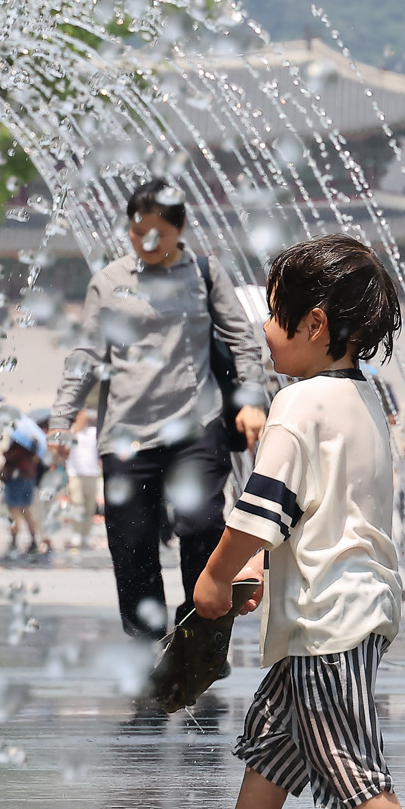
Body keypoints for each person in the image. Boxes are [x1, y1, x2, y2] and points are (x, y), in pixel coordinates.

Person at [153, 233, 405, 809]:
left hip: (328, 614)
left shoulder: (297, 406)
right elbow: (316, 511)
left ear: (315, 325)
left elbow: (262, 508)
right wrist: (263, 564)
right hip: (356, 602)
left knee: (342, 750)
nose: (264, 328)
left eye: (276, 314)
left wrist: (216, 576)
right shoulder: (365, 400)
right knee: (277, 743)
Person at [51, 179, 268, 640]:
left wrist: (251, 400)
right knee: (131, 545)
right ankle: (147, 642)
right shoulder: (108, 283)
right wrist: (61, 420)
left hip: (196, 421)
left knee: (203, 523)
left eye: (157, 234)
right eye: (137, 234)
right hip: (126, 432)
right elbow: (87, 356)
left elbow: (241, 340)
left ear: (180, 228)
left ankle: (198, 631)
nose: (147, 243)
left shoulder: (206, 274)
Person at [0, 413, 48, 559]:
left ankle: (14, 541)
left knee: (14, 511)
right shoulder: (34, 443)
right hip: (27, 478)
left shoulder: (21, 443)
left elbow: (11, 457)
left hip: (17, 479)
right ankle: (33, 540)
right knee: (26, 511)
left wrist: (6, 453)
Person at [65, 408, 103, 548]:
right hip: (75, 473)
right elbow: (65, 450)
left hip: (91, 473)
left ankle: (86, 534)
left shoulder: (93, 433)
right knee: (77, 503)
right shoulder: (72, 433)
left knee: (89, 506)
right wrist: (75, 431)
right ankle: (77, 532)